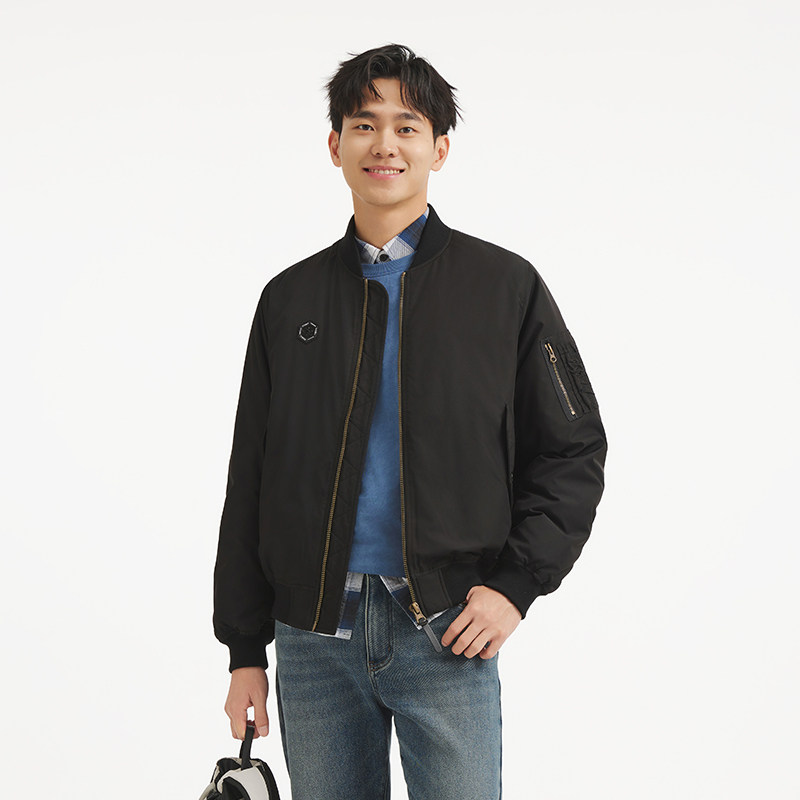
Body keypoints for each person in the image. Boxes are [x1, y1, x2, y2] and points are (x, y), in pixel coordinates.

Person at [212, 43, 607, 800]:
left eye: (407, 126)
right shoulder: (289, 300)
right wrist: (244, 649)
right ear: (335, 145)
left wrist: (515, 586)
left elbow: (574, 448)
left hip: (448, 627)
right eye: (364, 125)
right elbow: (250, 476)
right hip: (312, 638)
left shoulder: (504, 287)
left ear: (439, 149)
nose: (384, 145)